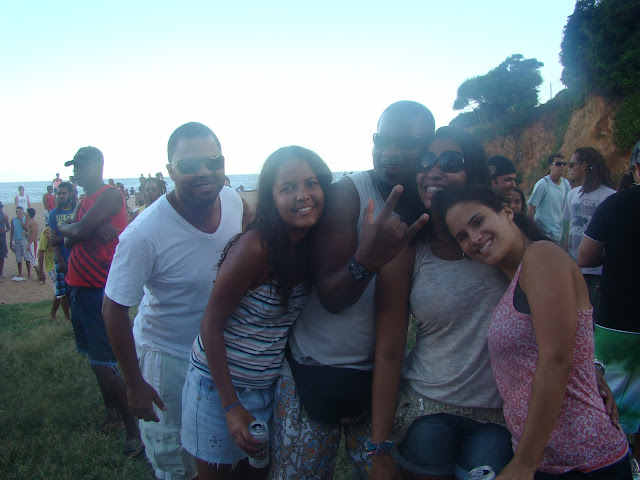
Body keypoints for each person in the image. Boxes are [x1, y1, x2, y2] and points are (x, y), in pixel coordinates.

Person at [271, 101, 432, 479]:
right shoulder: (350, 194)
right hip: (313, 370)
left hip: (379, 378)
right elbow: (332, 297)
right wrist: (368, 259)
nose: (390, 151)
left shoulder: (427, 206)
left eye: (405, 143)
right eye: (382, 140)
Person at [438, 185, 630, 479]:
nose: (474, 238)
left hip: (585, 461)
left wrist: (523, 463)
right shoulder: (515, 275)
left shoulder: (541, 256)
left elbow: (556, 358)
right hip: (549, 461)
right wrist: (590, 370)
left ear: (506, 211)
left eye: (478, 221)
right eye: (462, 236)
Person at [103, 122, 245, 480]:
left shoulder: (230, 200)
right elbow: (114, 309)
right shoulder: (144, 234)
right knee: (177, 460)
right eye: (189, 165)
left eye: (213, 160)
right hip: (169, 359)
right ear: (170, 172)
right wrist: (133, 382)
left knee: (219, 453)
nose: (203, 172)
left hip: (222, 351)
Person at [371, 126, 513, 480]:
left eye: (450, 162)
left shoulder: (502, 236)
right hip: (427, 407)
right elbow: (389, 349)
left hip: (498, 413)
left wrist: (592, 372)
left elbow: (557, 311)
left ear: (474, 172)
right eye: (426, 162)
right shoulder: (408, 248)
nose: (434, 172)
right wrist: (379, 447)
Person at [181, 146, 332, 479]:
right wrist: (231, 407)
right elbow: (211, 326)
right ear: (271, 199)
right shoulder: (255, 247)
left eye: (311, 183)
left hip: (267, 389)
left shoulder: (309, 245)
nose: (303, 195)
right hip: (217, 388)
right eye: (287, 188)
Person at [58, 146, 142, 458]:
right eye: (73, 167)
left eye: (80, 166)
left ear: (97, 165)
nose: (75, 173)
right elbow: (68, 237)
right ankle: (113, 416)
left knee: (104, 364)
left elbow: (75, 231)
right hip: (78, 286)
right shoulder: (84, 201)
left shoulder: (109, 195)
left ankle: (135, 431)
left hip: (98, 288)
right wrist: (81, 229)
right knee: (95, 361)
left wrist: (81, 229)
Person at [578, 140, 640, 461]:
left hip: (619, 320)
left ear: (635, 169)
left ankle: (615, 460)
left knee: (610, 398)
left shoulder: (617, 204)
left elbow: (585, 255)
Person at [561, 147, 616, 314]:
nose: (568, 169)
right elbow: (566, 229)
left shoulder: (609, 196)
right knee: (572, 313)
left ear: (584, 166)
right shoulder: (572, 195)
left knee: (591, 314)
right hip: (573, 266)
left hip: (597, 271)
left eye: (572, 164)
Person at [48, 181, 76, 322]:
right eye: (58, 193)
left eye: (63, 193)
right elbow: (53, 240)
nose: (60, 196)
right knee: (62, 291)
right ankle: (67, 318)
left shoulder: (77, 210)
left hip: (77, 257)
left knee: (76, 289)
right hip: (62, 257)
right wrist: (59, 260)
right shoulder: (54, 214)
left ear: (70, 194)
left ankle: (76, 315)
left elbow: (79, 234)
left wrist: (60, 238)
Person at [527, 154, 570, 242]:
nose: (562, 166)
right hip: (543, 234)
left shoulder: (566, 184)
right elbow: (531, 210)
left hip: (558, 232)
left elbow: (567, 208)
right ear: (550, 166)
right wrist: (533, 232)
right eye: (558, 164)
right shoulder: (543, 184)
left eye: (564, 164)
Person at [37, 225, 60, 320]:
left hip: (63, 262)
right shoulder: (46, 233)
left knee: (61, 291)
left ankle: (55, 314)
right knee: (59, 291)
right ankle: (53, 314)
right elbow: (41, 252)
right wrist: (41, 271)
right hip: (52, 265)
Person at [10, 206, 29, 280]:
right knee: (18, 257)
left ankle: (29, 273)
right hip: (16, 239)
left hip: (24, 239)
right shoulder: (13, 220)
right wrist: (11, 241)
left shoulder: (25, 219)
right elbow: (12, 231)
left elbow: (26, 229)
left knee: (26, 257)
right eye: (17, 211)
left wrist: (21, 220)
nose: (18, 213)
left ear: (22, 211)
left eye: (20, 211)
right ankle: (20, 272)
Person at [25, 207, 39, 278]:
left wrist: (29, 244)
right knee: (33, 260)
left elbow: (34, 234)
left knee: (34, 261)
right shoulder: (30, 222)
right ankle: (39, 276)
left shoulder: (32, 222)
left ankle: (40, 277)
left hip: (33, 243)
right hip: (32, 242)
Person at [0, 202, 9, 278]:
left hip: (2, 238)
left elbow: (8, 227)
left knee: (2, 256)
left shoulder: (4, 216)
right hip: (2, 238)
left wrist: (4, 230)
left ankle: (1, 273)